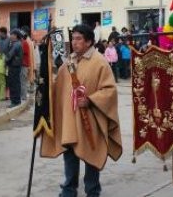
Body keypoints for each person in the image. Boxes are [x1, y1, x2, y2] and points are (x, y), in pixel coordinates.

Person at [41, 24, 122, 197]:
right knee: (70, 155)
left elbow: (109, 90)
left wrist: (91, 100)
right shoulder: (69, 61)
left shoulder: (99, 62)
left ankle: (92, 191)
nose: (74, 42)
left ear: (89, 41)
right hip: (71, 120)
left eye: (79, 39)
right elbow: (59, 87)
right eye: (74, 38)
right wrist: (45, 88)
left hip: (91, 119)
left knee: (92, 154)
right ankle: (69, 189)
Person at [6, 29, 23, 107]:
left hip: (14, 67)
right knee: (16, 83)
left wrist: (5, 61)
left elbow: (9, 55)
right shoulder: (17, 43)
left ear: (15, 35)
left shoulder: (16, 44)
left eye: (11, 34)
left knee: (13, 84)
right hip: (15, 66)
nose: (10, 36)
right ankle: (16, 100)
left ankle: (15, 101)